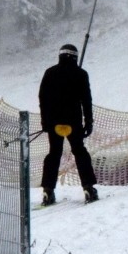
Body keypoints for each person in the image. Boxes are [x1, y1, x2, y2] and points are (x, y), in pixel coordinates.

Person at [38, 44, 98, 205]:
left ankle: (48, 190)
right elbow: (86, 100)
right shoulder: (81, 74)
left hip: (54, 123)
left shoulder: (50, 73)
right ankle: (88, 187)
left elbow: (43, 98)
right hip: (74, 123)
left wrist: (45, 121)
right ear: (74, 57)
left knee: (54, 154)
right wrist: (89, 121)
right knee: (79, 152)